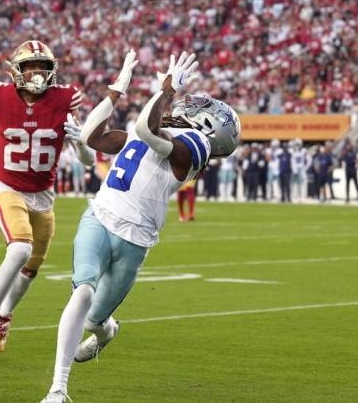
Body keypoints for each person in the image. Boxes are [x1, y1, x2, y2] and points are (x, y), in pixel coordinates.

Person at [41, 51, 240, 403]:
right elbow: (92, 137)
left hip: (135, 240)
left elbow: (145, 130)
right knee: (82, 291)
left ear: (211, 128)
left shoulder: (196, 146)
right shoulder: (163, 131)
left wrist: (165, 89)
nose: (190, 107)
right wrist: (116, 91)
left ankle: (105, 331)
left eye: (202, 110)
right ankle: (58, 388)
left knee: (95, 320)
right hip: (100, 217)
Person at [0, 40, 106, 360]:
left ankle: (4, 318)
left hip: (43, 196)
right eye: (30, 67)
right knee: (20, 247)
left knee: (31, 268)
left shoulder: (64, 99)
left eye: (42, 67)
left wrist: (82, 145)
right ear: (16, 70)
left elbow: (86, 161)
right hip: (7, 186)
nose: (36, 74)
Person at [289, 139, 308, 203]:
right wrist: (293, 169)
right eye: (296, 144)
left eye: (298, 144)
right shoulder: (292, 151)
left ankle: (302, 197)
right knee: (294, 184)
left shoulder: (303, 151)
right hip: (295, 169)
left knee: (302, 184)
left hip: (301, 169)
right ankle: (295, 197)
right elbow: (291, 161)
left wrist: (305, 168)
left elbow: (308, 160)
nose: (297, 146)